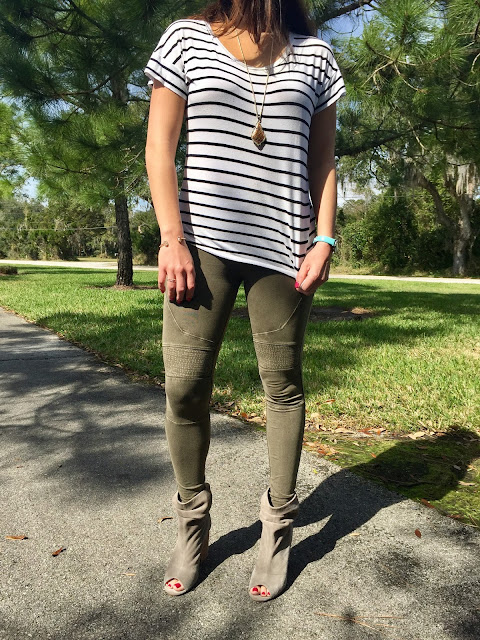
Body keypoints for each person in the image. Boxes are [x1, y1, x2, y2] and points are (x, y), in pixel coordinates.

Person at [144, 0, 346, 601]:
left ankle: (277, 527)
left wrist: (325, 238)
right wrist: (171, 239)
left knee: (282, 385)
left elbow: (323, 160)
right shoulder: (185, 40)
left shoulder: (315, 56)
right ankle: (192, 521)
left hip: (285, 248)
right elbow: (160, 148)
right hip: (200, 244)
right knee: (185, 387)